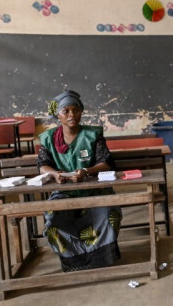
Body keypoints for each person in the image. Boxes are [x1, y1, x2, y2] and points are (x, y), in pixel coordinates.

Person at [37, 90, 122, 272]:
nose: (71, 115)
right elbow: (43, 164)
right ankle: (74, 261)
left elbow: (106, 163)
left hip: (96, 190)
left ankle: (101, 260)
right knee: (53, 218)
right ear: (57, 115)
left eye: (75, 110)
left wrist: (86, 171)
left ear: (81, 111)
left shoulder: (92, 135)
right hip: (64, 192)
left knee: (109, 213)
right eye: (65, 111)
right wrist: (54, 174)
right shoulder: (49, 139)